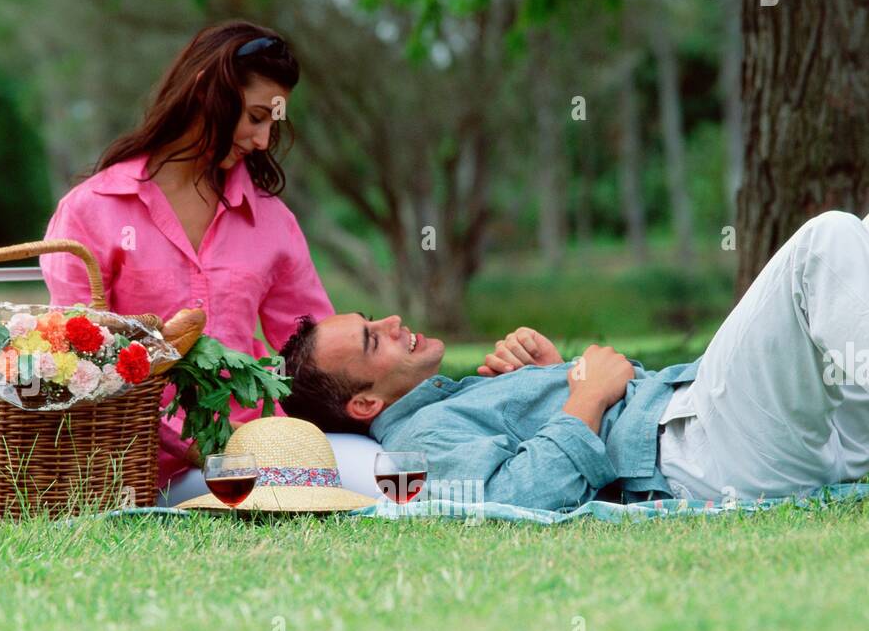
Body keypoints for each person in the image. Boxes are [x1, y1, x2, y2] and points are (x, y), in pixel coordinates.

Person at [280, 211, 869, 511]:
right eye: (372, 340)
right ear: (365, 403)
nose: (390, 322)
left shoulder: (450, 400)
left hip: (791, 437)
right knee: (825, 240)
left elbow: (548, 448)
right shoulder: (420, 438)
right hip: (707, 448)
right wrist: (587, 396)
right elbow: (515, 500)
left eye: (372, 319)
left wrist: (556, 375)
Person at [39, 20, 334, 499]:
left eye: (272, 124)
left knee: (381, 472)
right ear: (205, 91)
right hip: (138, 465)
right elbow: (81, 363)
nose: (263, 141)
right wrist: (199, 443)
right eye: (256, 117)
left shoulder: (272, 221)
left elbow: (312, 350)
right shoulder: (91, 211)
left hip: (260, 449)